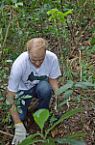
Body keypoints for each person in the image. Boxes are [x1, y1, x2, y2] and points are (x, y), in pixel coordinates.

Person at [6, 38, 61, 145]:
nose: (37, 63)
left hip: (40, 86)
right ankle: (24, 119)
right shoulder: (19, 64)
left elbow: (52, 80)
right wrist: (18, 124)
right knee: (19, 118)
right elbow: (9, 96)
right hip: (23, 91)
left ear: (46, 52)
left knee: (46, 89)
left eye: (41, 59)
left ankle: (42, 115)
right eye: (34, 59)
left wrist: (59, 96)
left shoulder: (52, 58)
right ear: (28, 53)